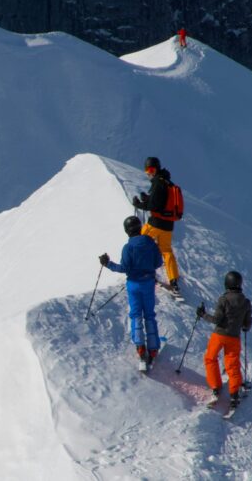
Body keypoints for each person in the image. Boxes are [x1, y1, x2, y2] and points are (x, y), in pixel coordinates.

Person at [99, 215, 164, 367]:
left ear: (127, 231)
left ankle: (140, 347)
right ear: (140, 227)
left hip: (134, 284)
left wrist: (108, 263)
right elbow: (158, 262)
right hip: (148, 283)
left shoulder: (128, 248)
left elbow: (124, 268)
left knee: (135, 314)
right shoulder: (151, 243)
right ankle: (153, 348)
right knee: (149, 314)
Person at [196, 271, 252, 411]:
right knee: (232, 365)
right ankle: (234, 395)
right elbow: (247, 324)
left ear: (227, 284)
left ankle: (216, 387)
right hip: (234, 338)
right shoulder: (246, 302)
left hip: (219, 335)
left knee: (210, 358)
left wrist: (202, 314)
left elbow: (216, 320)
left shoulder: (224, 299)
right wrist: (243, 326)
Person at [132, 156, 181, 295]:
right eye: (147, 170)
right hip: (168, 225)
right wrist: (148, 198)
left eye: (151, 169)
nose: (149, 172)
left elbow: (155, 205)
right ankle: (174, 281)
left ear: (156, 169)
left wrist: (139, 204)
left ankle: (140, 270)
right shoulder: (167, 182)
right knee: (166, 251)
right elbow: (161, 201)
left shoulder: (158, 182)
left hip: (156, 223)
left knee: (139, 241)